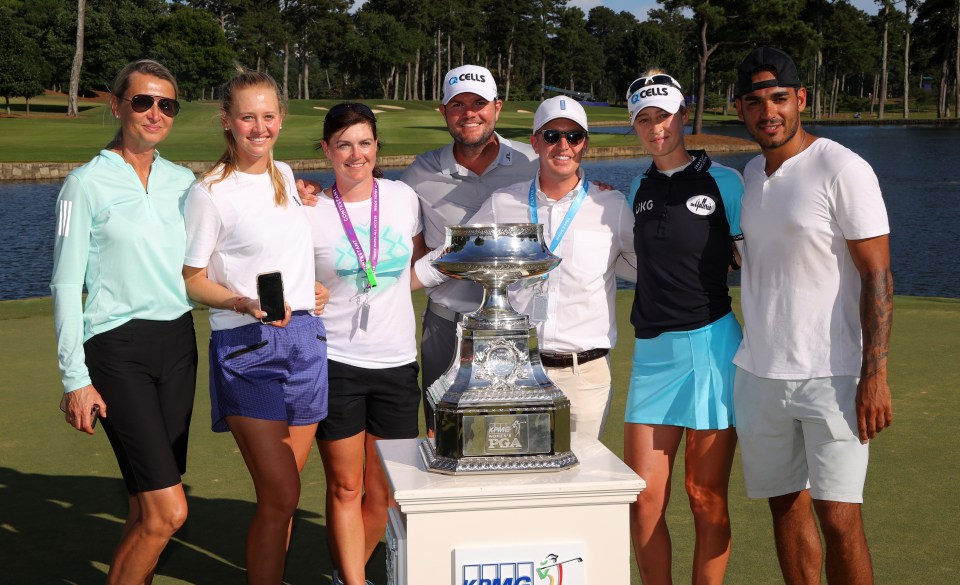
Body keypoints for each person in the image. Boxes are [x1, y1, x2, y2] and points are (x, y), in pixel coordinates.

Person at [733, 47, 893, 585]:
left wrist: (875, 374)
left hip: (835, 374)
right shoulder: (750, 174)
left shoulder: (842, 167)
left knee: (840, 516)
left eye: (779, 98)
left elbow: (877, 276)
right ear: (740, 109)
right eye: (755, 102)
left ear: (801, 98)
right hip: (759, 374)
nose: (768, 111)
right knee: (785, 507)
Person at [51, 59, 198, 585]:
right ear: (117, 106)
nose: (155, 112)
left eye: (167, 104)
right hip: (117, 352)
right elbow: (66, 285)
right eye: (143, 101)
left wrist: (303, 197)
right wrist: (75, 379)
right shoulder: (83, 184)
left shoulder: (184, 183)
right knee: (169, 512)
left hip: (179, 346)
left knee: (144, 503)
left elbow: (230, 237)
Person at [182, 70, 328, 584]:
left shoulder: (287, 176)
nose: (258, 127)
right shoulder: (209, 192)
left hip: (305, 342)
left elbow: (288, 253)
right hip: (246, 347)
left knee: (282, 498)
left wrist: (312, 288)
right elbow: (192, 280)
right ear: (228, 121)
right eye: (247, 116)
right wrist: (243, 302)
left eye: (268, 116)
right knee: (282, 492)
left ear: (281, 120)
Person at [622, 71, 744, 585]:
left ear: (683, 115)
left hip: (711, 345)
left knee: (704, 494)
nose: (657, 128)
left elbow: (751, 262)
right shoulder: (636, 187)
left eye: (665, 116)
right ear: (636, 126)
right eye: (645, 120)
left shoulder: (726, 183)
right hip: (652, 354)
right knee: (644, 501)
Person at [458, 96, 636, 439]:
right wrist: (394, 283)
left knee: (581, 484)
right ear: (535, 141)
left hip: (584, 373)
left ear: (585, 144)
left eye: (574, 136)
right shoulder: (502, 203)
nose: (563, 145)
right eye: (552, 135)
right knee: (518, 481)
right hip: (514, 370)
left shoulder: (610, 205)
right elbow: (457, 255)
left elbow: (640, 265)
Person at [304, 103, 426, 585]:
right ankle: (354, 582)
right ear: (327, 150)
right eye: (344, 144)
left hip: (397, 362)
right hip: (336, 361)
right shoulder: (307, 210)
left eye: (365, 142)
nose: (356, 154)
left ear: (378, 147)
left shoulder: (402, 197)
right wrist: (303, 292)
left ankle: (343, 574)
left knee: (386, 492)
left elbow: (411, 268)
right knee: (346, 485)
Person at [401, 65, 539, 433]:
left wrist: (598, 186)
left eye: (479, 103)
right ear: (443, 112)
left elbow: (572, 193)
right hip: (447, 323)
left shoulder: (533, 162)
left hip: (517, 324)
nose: (469, 113)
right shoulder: (420, 173)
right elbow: (375, 203)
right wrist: (313, 192)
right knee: (442, 433)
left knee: (517, 434)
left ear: (497, 107)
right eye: (457, 104)